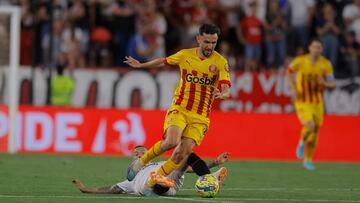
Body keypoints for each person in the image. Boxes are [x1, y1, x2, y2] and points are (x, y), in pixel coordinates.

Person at [124, 23, 231, 183]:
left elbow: (226, 88)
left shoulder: (220, 62)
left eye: (213, 42)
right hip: (180, 108)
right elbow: (164, 61)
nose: (210, 46)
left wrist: (222, 94)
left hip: (200, 116)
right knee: (172, 141)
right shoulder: (185, 55)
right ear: (198, 39)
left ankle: (154, 179)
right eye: (207, 42)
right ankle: (141, 162)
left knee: (182, 153)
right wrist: (141, 65)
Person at [72, 146, 229, 196]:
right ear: (132, 160)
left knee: (187, 154)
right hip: (156, 187)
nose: (140, 154)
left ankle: (210, 178)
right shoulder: (129, 181)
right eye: (137, 154)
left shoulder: (160, 163)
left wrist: (215, 162)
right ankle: (156, 182)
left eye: (143, 152)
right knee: (153, 182)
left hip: (169, 178)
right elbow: (110, 189)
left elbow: (190, 169)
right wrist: (86, 189)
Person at [286, 39, 335, 170]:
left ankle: (308, 159)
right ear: (309, 48)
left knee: (316, 130)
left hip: (317, 102)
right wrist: (292, 88)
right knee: (310, 125)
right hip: (302, 100)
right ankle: (301, 142)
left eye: (319, 47)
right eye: (314, 46)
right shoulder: (300, 61)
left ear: (322, 49)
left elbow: (332, 83)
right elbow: (289, 72)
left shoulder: (326, 64)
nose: (316, 49)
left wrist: (324, 82)